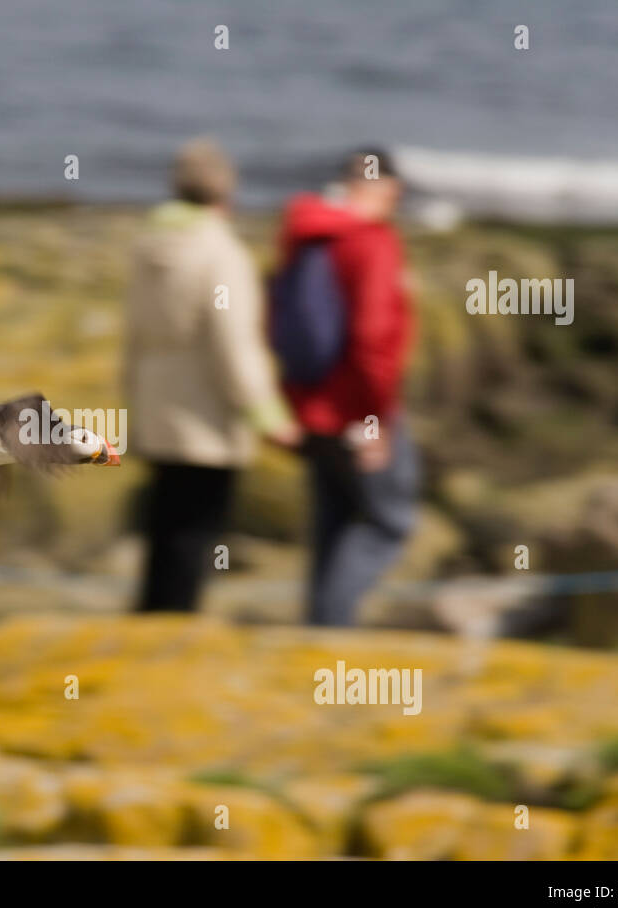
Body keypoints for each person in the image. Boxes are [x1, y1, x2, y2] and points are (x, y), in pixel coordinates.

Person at [124, 138, 300, 612]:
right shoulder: (222, 254)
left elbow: (133, 337)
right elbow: (234, 345)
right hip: (206, 416)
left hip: (157, 408)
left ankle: (147, 630)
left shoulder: (147, 249)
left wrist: (132, 404)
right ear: (227, 193)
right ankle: (171, 640)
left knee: (163, 533)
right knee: (194, 538)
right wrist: (268, 416)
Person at [278, 148, 419, 626]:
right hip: (357, 412)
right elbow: (373, 338)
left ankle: (315, 636)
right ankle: (331, 627)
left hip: (308, 406)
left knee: (332, 526)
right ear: (383, 187)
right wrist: (376, 419)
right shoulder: (372, 241)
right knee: (388, 521)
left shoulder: (304, 234)